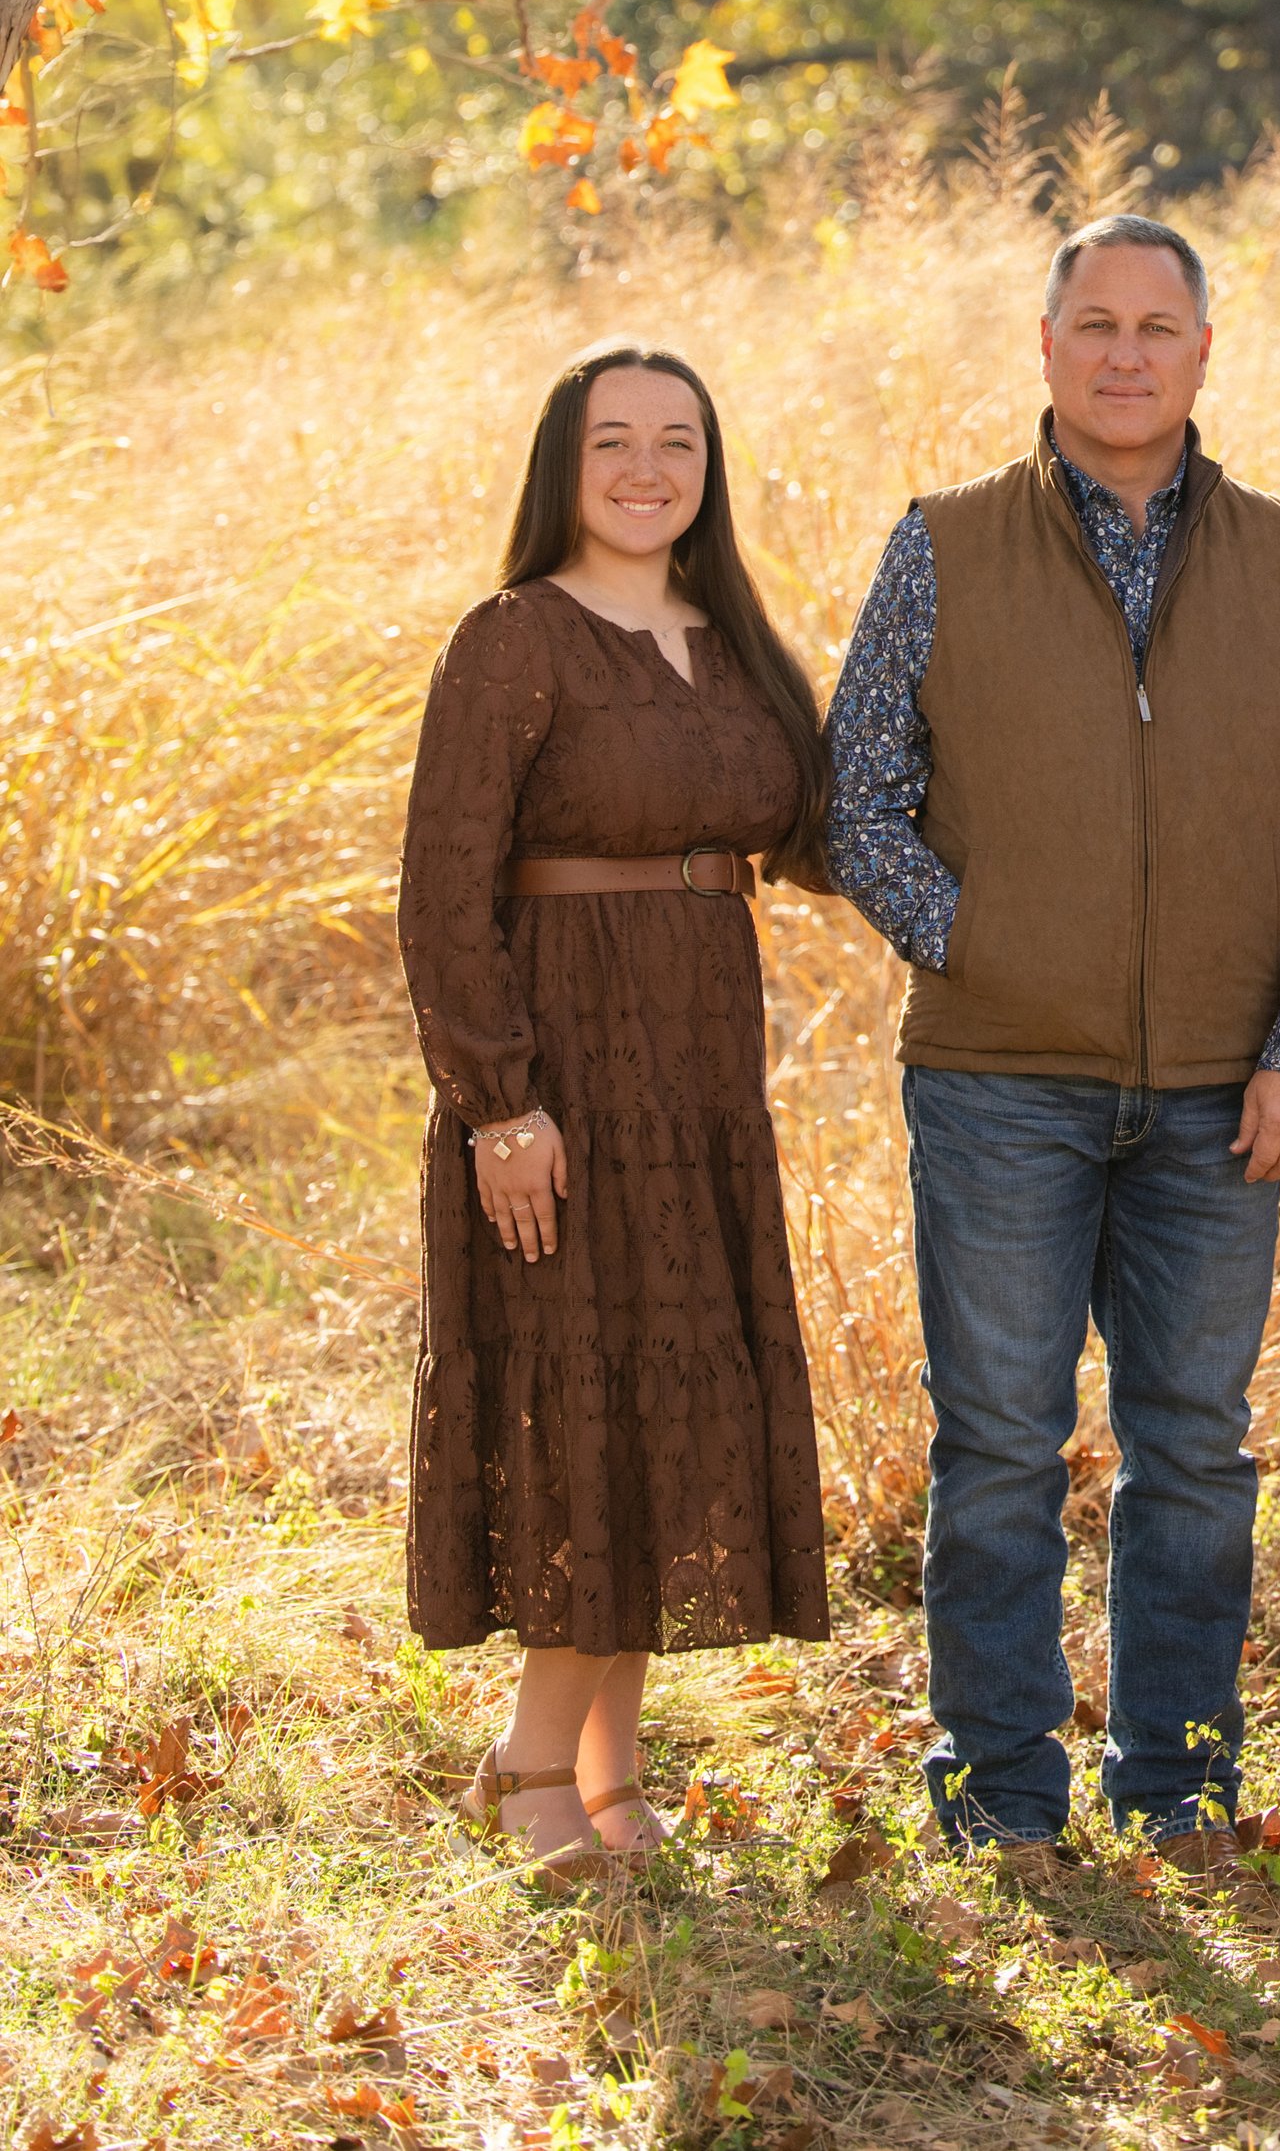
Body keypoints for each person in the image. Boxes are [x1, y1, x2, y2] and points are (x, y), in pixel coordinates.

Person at [824, 213, 1280, 1877]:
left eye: (1160, 324)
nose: (1127, 351)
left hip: (1228, 1090)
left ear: (1206, 354)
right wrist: (981, 945)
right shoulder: (943, 542)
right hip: (1000, 1080)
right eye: (1096, 322)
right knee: (998, 1439)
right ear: (1047, 345)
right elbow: (855, 796)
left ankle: (1180, 1781)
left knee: (1194, 1451)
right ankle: (999, 1780)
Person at [398, 339, 832, 1880]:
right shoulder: (514, 638)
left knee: (671, 1390)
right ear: (562, 466)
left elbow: (832, 829)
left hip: (705, 1079)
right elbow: (443, 890)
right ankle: (524, 1758)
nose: (649, 468)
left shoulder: (734, 642)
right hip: (566, 1075)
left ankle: (607, 1765)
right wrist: (498, 1103)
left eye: (679, 441)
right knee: (587, 1396)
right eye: (615, 442)